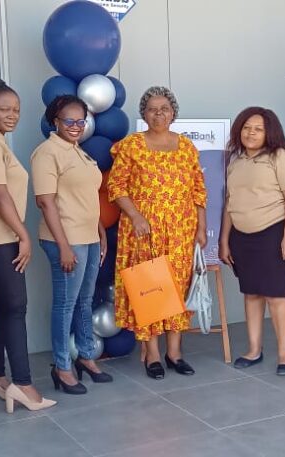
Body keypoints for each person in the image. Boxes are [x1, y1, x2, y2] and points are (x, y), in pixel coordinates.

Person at [0, 79, 56, 412]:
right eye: (4, 109)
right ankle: (23, 384)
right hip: (0, 238)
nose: (12, 115)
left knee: (2, 310)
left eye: (16, 109)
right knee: (15, 309)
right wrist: (24, 234)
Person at [108, 86, 206, 380]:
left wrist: (201, 227)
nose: (159, 114)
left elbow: (198, 191)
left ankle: (174, 353)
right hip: (143, 230)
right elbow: (116, 187)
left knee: (176, 289)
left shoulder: (187, 147)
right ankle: (152, 355)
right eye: (152, 108)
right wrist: (136, 215)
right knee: (150, 289)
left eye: (164, 108)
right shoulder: (131, 146)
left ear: (173, 113)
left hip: (181, 231)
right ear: (144, 113)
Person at [33, 95, 112, 395]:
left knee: (85, 301)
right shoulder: (47, 152)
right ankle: (62, 367)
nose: (76, 126)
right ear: (55, 121)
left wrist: (100, 230)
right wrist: (64, 246)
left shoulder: (79, 152)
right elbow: (45, 201)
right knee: (65, 304)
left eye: (81, 121)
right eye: (70, 121)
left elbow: (87, 199)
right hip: (65, 240)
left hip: (89, 237)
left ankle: (86, 357)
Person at [220, 107, 285, 376]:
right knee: (252, 293)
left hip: (273, 233)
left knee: (276, 295)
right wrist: (223, 239)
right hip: (241, 237)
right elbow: (229, 202)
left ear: (269, 132)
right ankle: (254, 349)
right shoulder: (235, 160)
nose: (251, 133)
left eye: (258, 129)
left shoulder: (280, 157)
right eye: (246, 127)